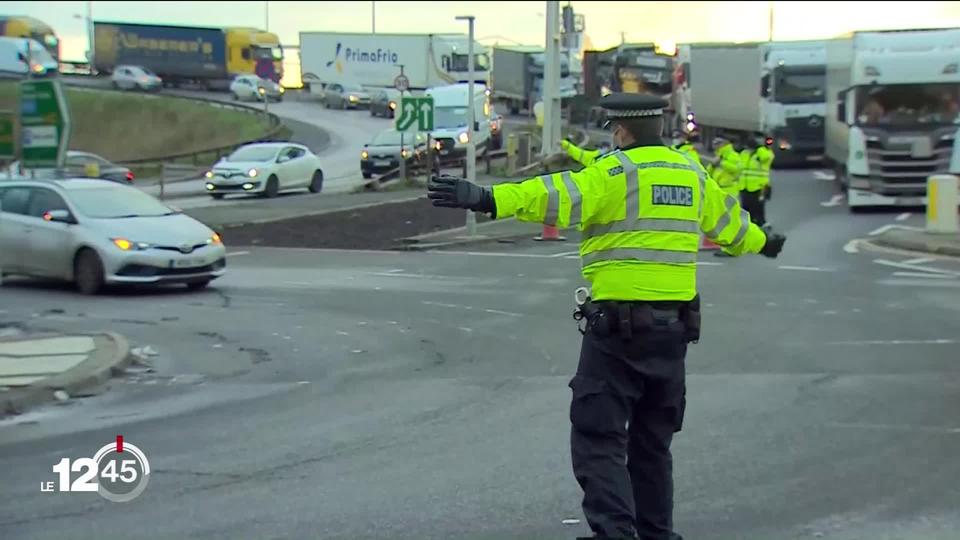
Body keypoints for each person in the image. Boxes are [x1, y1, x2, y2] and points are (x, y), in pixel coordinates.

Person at [426, 93, 787, 540]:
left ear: (620, 130)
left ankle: (616, 533)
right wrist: (764, 241)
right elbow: (733, 228)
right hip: (673, 334)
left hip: (618, 333)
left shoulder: (617, 172)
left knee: (599, 439)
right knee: (652, 446)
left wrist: (485, 198)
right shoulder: (691, 173)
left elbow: (553, 196)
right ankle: (657, 534)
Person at [739, 134, 774, 227]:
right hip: (745, 186)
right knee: (746, 209)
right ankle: (748, 226)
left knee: (758, 208)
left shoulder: (764, 152)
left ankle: (762, 225)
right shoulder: (744, 153)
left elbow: (766, 157)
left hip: (760, 186)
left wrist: (759, 148)